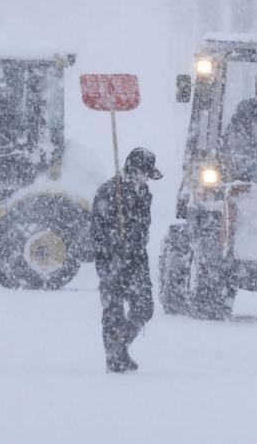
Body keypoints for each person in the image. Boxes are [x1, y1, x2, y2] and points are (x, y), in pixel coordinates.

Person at [91, 147, 162, 373]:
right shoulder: (110, 191)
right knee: (113, 310)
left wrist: (135, 245)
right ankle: (114, 358)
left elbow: (143, 228)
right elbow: (96, 230)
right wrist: (114, 244)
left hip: (137, 259)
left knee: (144, 307)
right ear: (134, 170)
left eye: (149, 176)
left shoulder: (145, 194)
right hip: (111, 260)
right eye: (144, 174)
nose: (146, 179)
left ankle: (119, 348)